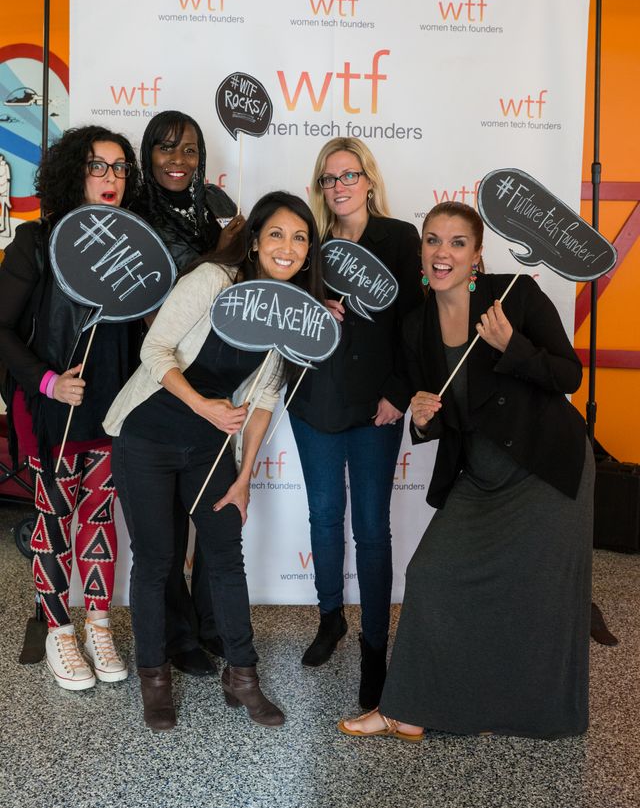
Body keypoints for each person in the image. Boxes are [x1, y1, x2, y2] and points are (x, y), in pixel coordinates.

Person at [338, 201, 593, 741]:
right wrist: (423, 418)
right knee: (431, 573)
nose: (442, 253)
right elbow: (436, 412)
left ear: (477, 255)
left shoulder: (515, 295)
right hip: (480, 475)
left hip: (545, 468)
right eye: (433, 241)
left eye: (457, 243)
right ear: (422, 251)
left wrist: (512, 347)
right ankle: (405, 708)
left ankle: (539, 714)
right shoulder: (416, 326)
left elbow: (569, 375)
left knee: (540, 596)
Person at [104, 191, 325, 731]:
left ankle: (242, 676)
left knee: (226, 558)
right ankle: (154, 676)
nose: (287, 246)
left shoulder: (288, 316)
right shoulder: (212, 281)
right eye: (276, 233)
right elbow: (154, 351)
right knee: (157, 562)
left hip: (209, 447)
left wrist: (245, 476)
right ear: (254, 240)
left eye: (300, 238)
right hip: (147, 435)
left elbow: (263, 402)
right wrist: (204, 404)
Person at [0, 126, 141, 690]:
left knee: (101, 519)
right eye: (97, 166)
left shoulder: (134, 247)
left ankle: (99, 624)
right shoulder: (36, 242)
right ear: (72, 173)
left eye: (119, 168)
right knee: (55, 522)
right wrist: (48, 381)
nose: (110, 179)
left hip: (110, 408)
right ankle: (60, 631)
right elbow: (1, 328)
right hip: (52, 408)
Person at [288, 138, 423, 709]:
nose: (339, 186)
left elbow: (416, 324)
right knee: (323, 516)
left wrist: (399, 393)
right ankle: (329, 618)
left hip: (376, 408)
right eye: (328, 178)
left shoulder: (398, 239)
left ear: (368, 179)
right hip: (314, 401)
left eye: (349, 175)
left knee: (370, 528)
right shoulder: (308, 245)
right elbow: (283, 317)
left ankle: (375, 645)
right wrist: (311, 306)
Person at [131, 110, 243, 678]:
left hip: (216, 381)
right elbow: (147, 307)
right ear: (148, 152)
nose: (178, 160)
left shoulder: (215, 210)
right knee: (168, 527)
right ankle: (177, 639)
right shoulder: (135, 214)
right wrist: (218, 252)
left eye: (190, 150)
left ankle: (209, 627)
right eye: (166, 148)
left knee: (212, 517)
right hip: (163, 379)